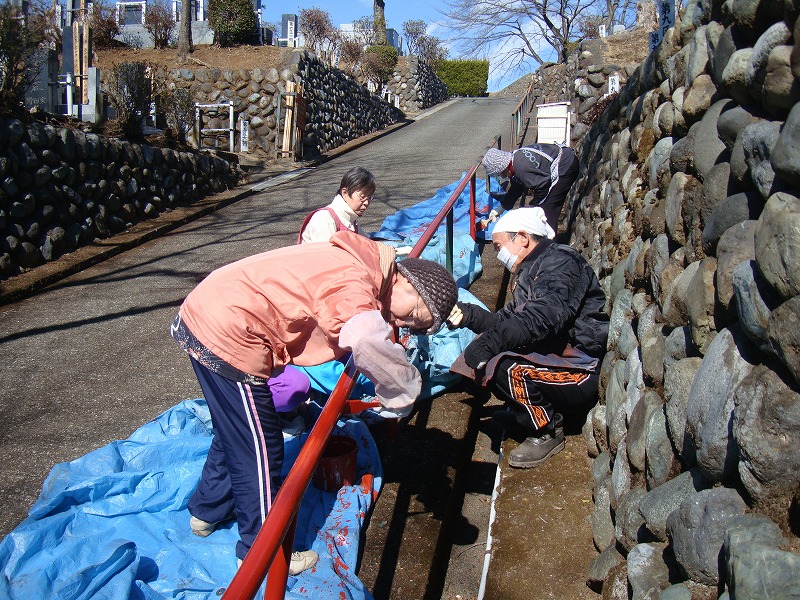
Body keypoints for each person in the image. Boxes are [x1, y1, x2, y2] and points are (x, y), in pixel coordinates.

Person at [170, 230, 458, 572]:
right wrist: (401, 390)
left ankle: (207, 510)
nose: (399, 323)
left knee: (238, 429)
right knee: (261, 447)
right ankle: (263, 550)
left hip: (212, 311)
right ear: (409, 284)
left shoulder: (359, 263)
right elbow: (366, 337)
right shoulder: (355, 280)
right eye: (413, 316)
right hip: (231, 331)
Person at [447, 207, 608, 469]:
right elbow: (509, 319)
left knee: (503, 367)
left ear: (522, 237)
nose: (498, 254)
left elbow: (542, 317)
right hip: (559, 355)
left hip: (582, 369)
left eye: (499, 246)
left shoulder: (560, 263)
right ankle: (526, 414)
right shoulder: (533, 268)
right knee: (484, 353)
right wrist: (469, 316)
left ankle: (546, 429)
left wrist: (489, 344)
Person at [481, 144, 579, 231]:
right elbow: (515, 189)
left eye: (500, 174)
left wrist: (533, 208)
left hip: (565, 165)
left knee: (546, 211)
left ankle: (549, 245)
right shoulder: (515, 159)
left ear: (503, 168)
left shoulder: (522, 167)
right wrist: (501, 208)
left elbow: (543, 188)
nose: (502, 177)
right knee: (541, 210)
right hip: (563, 158)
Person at [298, 166, 376, 243]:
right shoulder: (324, 219)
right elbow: (326, 254)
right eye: (362, 197)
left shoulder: (351, 220)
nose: (366, 203)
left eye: (369, 198)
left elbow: (367, 245)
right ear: (345, 193)